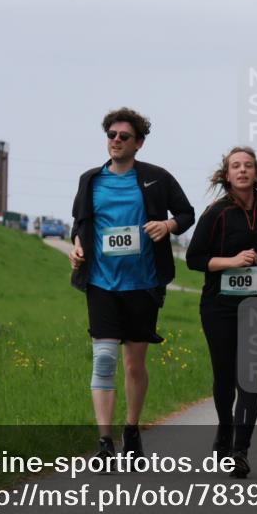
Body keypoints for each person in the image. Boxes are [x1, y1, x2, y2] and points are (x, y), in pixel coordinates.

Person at [69, 107, 195, 463]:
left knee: (134, 365)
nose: (116, 141)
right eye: (111, 135)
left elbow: (187, 214)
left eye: (124, 136)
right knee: (104, 360)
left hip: (143, 283)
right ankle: (104, 443)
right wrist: (77, 247)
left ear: (138, 143)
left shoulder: (156, 178)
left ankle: (132, 428)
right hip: (101, 282)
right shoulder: (90, 180)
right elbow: (80, 223)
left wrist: (167, 226)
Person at [186, 147, 257, 479]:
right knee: (224, 377)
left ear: (256, 172)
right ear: (227, 174)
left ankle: (240, 451)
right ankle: (225, 427)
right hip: (219, 305)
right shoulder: (216, 213)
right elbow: (194, 259)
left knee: (247, 376)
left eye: (248, 165)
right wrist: (232, 262)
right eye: (236, 166)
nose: (243, 170)